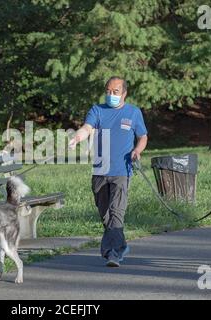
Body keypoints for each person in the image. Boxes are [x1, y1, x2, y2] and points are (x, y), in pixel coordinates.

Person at [69, 76, 148, 267]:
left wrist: (137, 150)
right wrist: (76, 138)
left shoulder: (133, 113)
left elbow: (143, 136)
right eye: (108, 91)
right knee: (105, 214)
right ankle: (120, 245)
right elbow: (87, 128)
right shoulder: (98, 110)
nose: (111, 95)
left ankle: (112, 254)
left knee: (116, 212)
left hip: (122, 171)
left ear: (124, 93)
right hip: (100, 171)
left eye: (115, 92)